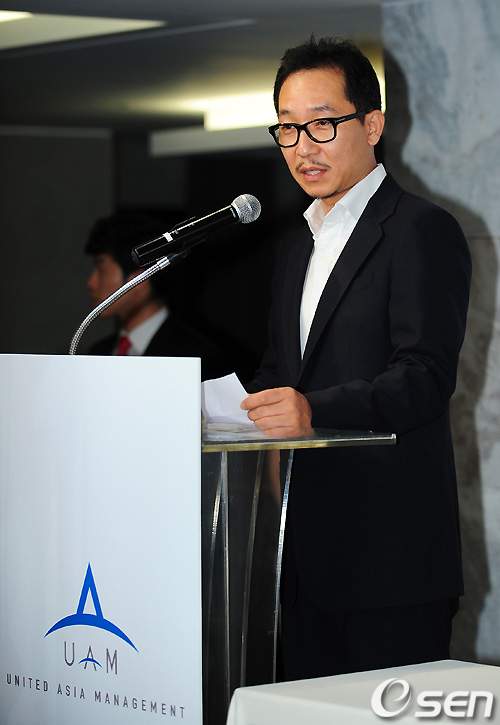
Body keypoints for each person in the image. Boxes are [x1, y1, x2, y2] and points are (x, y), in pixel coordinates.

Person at [240, 36, 472, 680]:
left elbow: (424, 377)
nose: (302, 147)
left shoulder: (419, 228)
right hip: (303, 559)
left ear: (372, 125)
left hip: (390, 562)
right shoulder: (297, 246)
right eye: (287, 128)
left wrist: (311, 410)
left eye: (322, 123)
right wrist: (222, 409)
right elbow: (280, 371)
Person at [85, 211, 230, 380]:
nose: (91, 282)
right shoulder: (98, 354)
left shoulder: (196, 357)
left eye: (101, 268)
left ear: (140, 279)